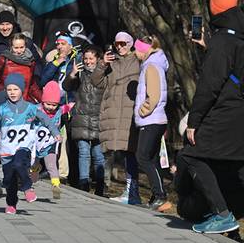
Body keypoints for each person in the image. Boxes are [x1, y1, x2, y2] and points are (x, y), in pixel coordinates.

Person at [179, 0, 244, 234]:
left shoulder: (223, 40)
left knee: (192, 154)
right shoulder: (237, 36)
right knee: (238, 166)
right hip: (240, 113)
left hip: (226, 111)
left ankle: (222, 215)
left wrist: (194, 120)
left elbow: (210, 85)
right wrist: (209, 45)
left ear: (214, 9)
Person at [0, 73, 61, 214]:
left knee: (19, 164)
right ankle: (11, 204)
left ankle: (27, 188)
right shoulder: (2, 109)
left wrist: (55, 133)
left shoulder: (30, 108)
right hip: (7, 149)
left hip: (24, 147)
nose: (12, 93)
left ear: (22, 90)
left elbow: (46, 119)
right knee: (9, 181)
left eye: (15, 89)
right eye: (9, 90)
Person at [91, 32, 142, 205]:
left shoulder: (138, 60)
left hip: (131, 112)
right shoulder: (112, 63)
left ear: (130, 43)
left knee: (133, 153)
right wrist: (102, 64)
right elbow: (97, 82)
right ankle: (130, 192)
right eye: (117, 44)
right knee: (124, 153)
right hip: (114, 113)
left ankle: (136, 192)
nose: (119, 47)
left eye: (123, 43)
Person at [132, 35, 171, 212]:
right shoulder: (154, 63)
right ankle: (157, 196)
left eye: (136, 49)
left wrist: (142, 110)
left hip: (152, 119)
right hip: (155, 119)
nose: (134, 53)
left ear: (143, 49)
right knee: (152, 159)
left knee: (143, 157)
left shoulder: (151, 66)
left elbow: (154, 95)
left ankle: (161, 196)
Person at [63, 47, 106, 195]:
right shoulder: (80, 74)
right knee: (83, 152)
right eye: (85, 59)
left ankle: (100, 185)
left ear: (98, 59)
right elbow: (66, 86)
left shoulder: (104, 73)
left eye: (91, 59)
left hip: (98, 117)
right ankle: (83, 183)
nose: (88, 62)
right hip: (81, 117)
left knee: (98, 154)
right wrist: (73, 74)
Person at [40, 34, 78, 182]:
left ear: (70, 46)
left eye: (63, 44)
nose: (59, 47)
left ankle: (63, 173)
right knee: (51, 136)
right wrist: (56, 63)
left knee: (65, 139)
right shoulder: (54, 59)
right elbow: (44, 79)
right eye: (58, 44)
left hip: (70, 103)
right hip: (54, 104)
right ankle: (49, 168)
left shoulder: (76, 59)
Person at [33, 82, 74, 200]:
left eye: (54, 105)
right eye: (48, 104)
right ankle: (33, 176)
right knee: (34, 163)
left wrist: (74, 103)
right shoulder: (36, 109)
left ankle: (56, 185)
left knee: (52, 165)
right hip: (35, 144)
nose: (51, 107)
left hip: (50, 143)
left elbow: (69, 106)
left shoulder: (59, 111)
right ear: (42, 101)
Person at [0, 10, 41, 78]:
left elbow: (38, 65)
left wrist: (35, 81)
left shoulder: (27, 42)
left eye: (8, 24)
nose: (5, 28)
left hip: (24, 84)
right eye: (2, 24)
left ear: (13, 25)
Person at [0, 32, 42, 102]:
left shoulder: (30, 61)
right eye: (16, 48)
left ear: (25, 46)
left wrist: (43, 100)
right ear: (11, 47)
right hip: (7, 101)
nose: (19, 51)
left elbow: (32, 85)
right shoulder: (4, 59)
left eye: (21, 47)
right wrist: (5, 91)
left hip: (24, 102)